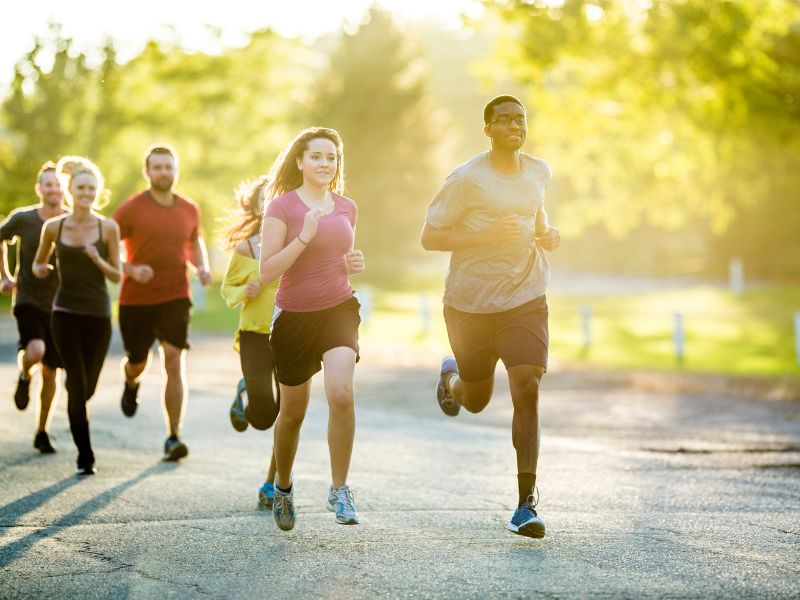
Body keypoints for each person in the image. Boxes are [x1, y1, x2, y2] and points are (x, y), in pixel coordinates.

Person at [420, 95, 561, 539]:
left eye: (521, 119)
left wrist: (546, 233)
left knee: (526, 385)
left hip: (525, 296)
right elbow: (429, 237)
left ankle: (525, 504)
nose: (516, 125)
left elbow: (535, 215)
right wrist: (484, 235)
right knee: (476, 399)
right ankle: (451, 379)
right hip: (471, 304)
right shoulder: (466, 179)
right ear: (488, 130)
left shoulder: (539, 171)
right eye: (505, 120)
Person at [259, 127, 365, 531]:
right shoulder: (281, 208)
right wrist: (303, 234)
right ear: (300, 161)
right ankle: (282, 486)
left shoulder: (347, 206)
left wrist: (351, 264)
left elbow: (339, 257)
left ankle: (340, 489)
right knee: (292, 415)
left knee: (341, 393)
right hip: (293, 317)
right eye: (317, 156)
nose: (325, 164)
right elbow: (268, 271)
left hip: (339, 307)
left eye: (332, 157)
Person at [113, 144, 211, 462]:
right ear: (147, 172)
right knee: (139, 361)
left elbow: (194, 243)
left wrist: (203, 267)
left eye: (169, 167)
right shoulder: (130, 210)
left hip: (175, 295)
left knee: (173, 359)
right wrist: (129, 269)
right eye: (157, 167)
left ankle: (173, 436)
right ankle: (131, 379)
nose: (164, 172)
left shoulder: (189, 209)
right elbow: (106, 248)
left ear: (175, 170)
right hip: (136, 299)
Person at [32, 156, 121, 475]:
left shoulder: (107, 227)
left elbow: (116, 276)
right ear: (70, 190)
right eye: (81, 187)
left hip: (98, 316)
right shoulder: (53, 227)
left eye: (92, 188)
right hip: (64, 313)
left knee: (86, 388)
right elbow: (38, 265)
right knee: (77, 387)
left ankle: (78, 397)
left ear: (98, 192)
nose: (86, 192)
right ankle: (85, 456)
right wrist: (40, 269)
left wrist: (98, 259)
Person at [219, 175, 280, 509]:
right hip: (256, 336)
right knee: (262, 418)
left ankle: (273, 483)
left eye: (277, 197)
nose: (270, 204)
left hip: (292, 334)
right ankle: (245, 393)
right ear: (257, 208)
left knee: (289, 414)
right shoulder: (247, 248)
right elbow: (227, 288)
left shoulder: (300, 243)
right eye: (264, 199)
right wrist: (244, 291)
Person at [1, 161, 66, 453]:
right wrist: (4, 275)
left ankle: (42, 431)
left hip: (62, 305)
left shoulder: (73, 220)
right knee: (36, 351)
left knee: (52, 372)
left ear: (64, 188)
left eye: (58, 184)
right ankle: (26, 374)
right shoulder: (23, 219)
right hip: (28, 298)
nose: (54, 190)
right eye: (48, 185)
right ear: (40, 189)